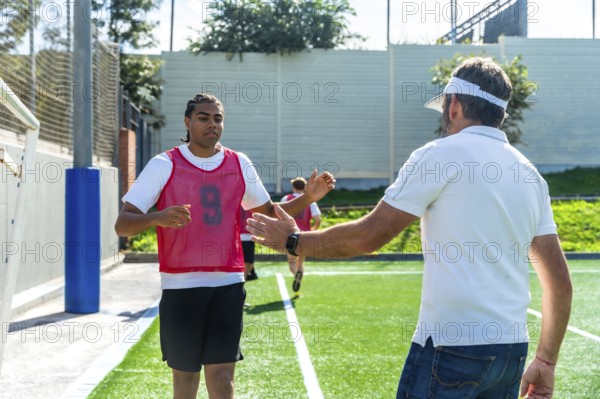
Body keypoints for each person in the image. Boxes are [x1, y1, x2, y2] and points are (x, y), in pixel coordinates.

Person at [247, 57, 572, 399]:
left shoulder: (438, 155)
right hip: (511, 351)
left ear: (455, 106)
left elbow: (368, 236)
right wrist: (546, 362)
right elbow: (560, 284)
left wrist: (294, 240)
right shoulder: (530, 174)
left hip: (451, 347)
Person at [114, 93, 335, 399]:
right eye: (203, 118)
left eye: (217, 118)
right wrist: (158, 217)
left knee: (222, 380)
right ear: (188, 122)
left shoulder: (238, 163)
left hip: (228, 285)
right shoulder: (164, 164)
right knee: (186, 384)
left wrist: (309, 198)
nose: (212, 124)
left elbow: (270, 214)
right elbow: (122, 223)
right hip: (180, 288)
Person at [280, 177, 322, 294]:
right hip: (304, 235)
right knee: (300, 262)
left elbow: (280, 215)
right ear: (304, 187)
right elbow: (318, 219)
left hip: (290, 234)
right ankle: (299, 275)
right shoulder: (310, 200)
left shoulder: (286, 199)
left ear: (293, 187)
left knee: (292, 261)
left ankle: (295, 276)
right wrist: (314, 230)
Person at [240, 207, 258, 281]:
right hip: (248, 236)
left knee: (248, 262)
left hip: (238, 236)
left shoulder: (234, 201)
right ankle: (242, 280)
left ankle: (244, 278)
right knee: (248, 262)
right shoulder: (252, 203)